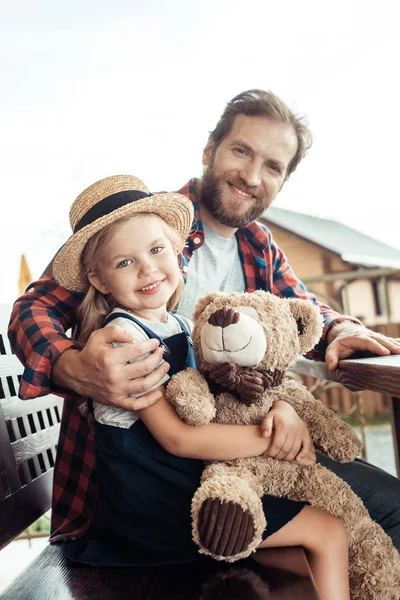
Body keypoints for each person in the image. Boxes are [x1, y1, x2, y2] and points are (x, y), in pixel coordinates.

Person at [8, 89, 400, 552]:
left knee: (378, 509)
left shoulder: (259, 245)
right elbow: (31, 310)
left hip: (237, 454)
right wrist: (73, 365)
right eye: (241, 151)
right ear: (209, 150)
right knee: (383, 513)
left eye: (273, 167)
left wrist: (340, 329)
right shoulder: (137, 226)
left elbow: (302, 312)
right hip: (138, 491)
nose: (252, 175)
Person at [51, 174, 350, 600]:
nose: (147, 268)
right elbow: (176, 437)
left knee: (299, 556)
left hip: (183, 488)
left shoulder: (179, 325)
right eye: (124, 262)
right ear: (99, 281)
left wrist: (281, 412)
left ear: (176, 252)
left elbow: (233, 394)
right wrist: (269, 441)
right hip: (151, 509)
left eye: (156, 250)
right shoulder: (124, 339)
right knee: (328, 530)